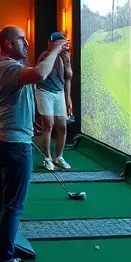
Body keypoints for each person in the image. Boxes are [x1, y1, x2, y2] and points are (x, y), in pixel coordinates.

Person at [0, 26, 69, 262]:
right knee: (13, 206)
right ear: (8, 44)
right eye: (21, 39)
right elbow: (41, 74)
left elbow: (28, 81)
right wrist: (54, 50)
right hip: (11, 143)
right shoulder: (8, 67)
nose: (27, 42)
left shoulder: (1, 66)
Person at [34, 31, 73, 170]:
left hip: (59, 92)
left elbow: (68, 77)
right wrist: (56, 52)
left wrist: (68, 98)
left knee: (62, 126)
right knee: (48, 124)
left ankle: (59, 157)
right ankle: (47, 157)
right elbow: (40, 73)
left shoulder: (65, 56)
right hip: (44, 91)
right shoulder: (45, 55)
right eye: (57, 42)